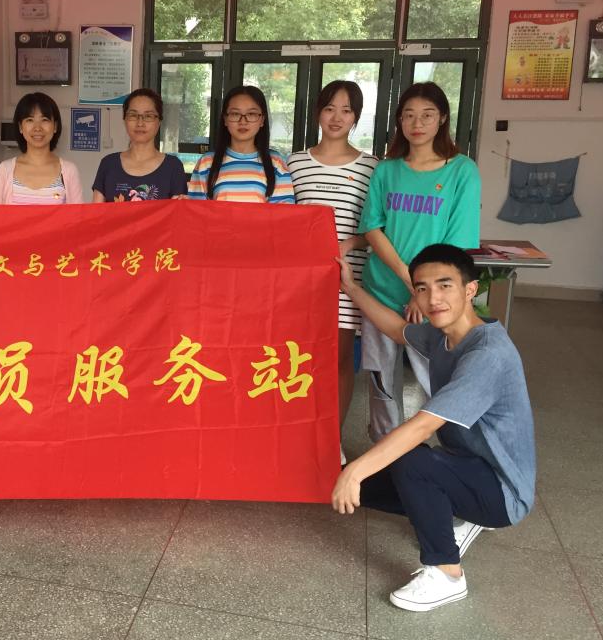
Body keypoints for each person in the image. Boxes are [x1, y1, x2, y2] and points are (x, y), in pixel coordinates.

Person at [333, 243, 535, 612]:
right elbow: (398, 330)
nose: (433, 298)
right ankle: (457, 513)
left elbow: (424, 426)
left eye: (445, 286)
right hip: (465, 466)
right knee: (366, 486)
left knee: (411, 462)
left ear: (470, 289)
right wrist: (351, 288)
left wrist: (355, 471)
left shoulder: (487, 355)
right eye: (422, 288)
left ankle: (447, 573)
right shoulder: (445, 336)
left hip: (503, 492)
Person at [358, 82, 480, 441]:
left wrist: (423, 293)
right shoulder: (387, 170)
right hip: (382, 289)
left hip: (435, 299)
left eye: (427, 115)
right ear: (399, 121)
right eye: (409, 115)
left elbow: (456, 245)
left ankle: (445, 452)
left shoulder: (461, 171)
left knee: (436, 379)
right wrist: (409, 281)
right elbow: (372, 227)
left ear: (442, 119)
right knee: (382, 382)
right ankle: (386, 453)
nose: (417, 123)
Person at [287, 81, 378, 461]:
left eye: (346, 109)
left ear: (356, 117)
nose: (337, 117)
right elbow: (282, 222)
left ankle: (331, 441)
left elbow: (377, 227)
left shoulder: (371, 167)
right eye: (329, 108)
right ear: (317, 113)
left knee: (339, 360)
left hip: (347, 279)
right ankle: (298, 433)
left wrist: (349, 245)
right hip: (302, 282)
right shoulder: (294, 163)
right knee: (300, 359)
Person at [187, 85, 294, 203]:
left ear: (262, 120)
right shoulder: (207, 162)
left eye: (251, 114)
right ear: (225, 119)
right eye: (235, 114)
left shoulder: (276, 162)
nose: (243, 121)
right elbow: (196, 210)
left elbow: (283, 212)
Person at [91, 88, 187, 202]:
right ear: (124, 120)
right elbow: (96, 211)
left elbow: (177, 211)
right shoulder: (108, 164)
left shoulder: (173, 167)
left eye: (148, 116)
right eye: (133, 115)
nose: (140, 123)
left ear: (159, 122)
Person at [0, 92, 83, 204]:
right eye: (30, 120)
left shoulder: (69, 171)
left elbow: (78, 214)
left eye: (44, 120)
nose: (37, 128)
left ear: (55, 126)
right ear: (20, 127)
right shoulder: (5, 170)